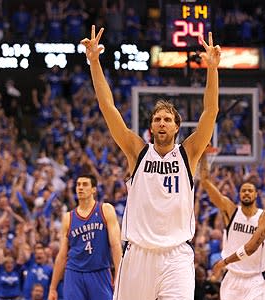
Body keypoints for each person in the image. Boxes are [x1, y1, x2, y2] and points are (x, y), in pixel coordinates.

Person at [81, 26, 220, 299]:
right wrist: (94, 62)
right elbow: (108, 108)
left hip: (177, 254)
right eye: (157, 119)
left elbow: (210, 110)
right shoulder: (137, 151)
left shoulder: (188, 153)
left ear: (177, 127)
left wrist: (212, 69)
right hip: (139, 253)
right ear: (151, 127)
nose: (162, 123)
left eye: (167, 119)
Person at [199, 153, 265, 300]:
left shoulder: (264, 216)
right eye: (243, 190)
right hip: (232, 276)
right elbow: (205, 183)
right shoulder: (231, 211)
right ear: (239, 195)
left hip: (256, 278)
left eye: (250, 191)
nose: (246, 193)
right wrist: (203, 154)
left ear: (256, 195)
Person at [48, 174, 122, 300]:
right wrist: (53, 288)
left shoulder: (106, 209)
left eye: (85, 184)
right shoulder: (68, 218)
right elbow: (62, 255)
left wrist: (120, 276)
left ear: (94, 189)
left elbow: (116, 246)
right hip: (74, 273)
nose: (80, 188)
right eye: (78, 185)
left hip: (100, 271)